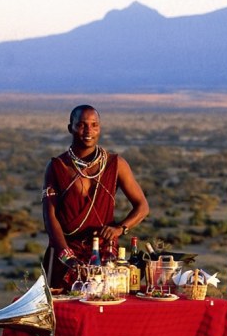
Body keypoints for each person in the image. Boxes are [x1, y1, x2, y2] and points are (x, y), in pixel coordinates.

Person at [41, 104, 149, 289]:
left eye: (94, 125)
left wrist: (119, 229)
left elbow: (142, 207)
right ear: (70, 128)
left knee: (105, 306)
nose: (88, 130)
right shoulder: (58, 167)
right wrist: (68, 257)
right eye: (81, 125)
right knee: (62, 313)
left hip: (104, 253)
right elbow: (50, 218)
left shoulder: (116, 164)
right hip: (65, 253)